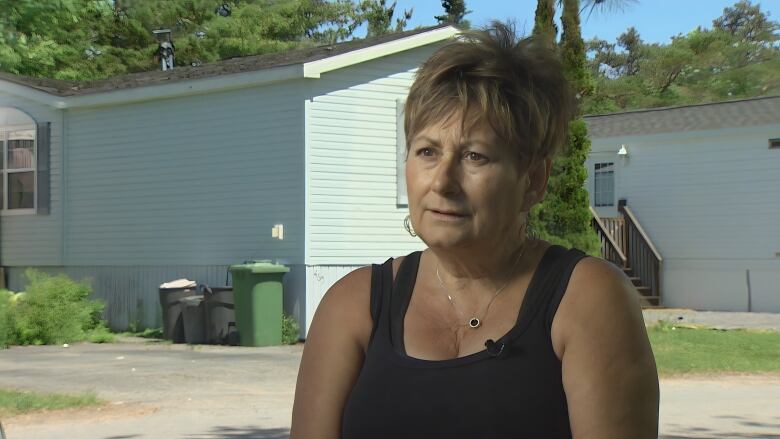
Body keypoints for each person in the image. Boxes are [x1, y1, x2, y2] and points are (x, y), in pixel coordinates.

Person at [290, 22, 659, 439]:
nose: (442, 181)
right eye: (427, 151)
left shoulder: (587, 298)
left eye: (475, 156)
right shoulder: (352, 306)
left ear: (534, 179)